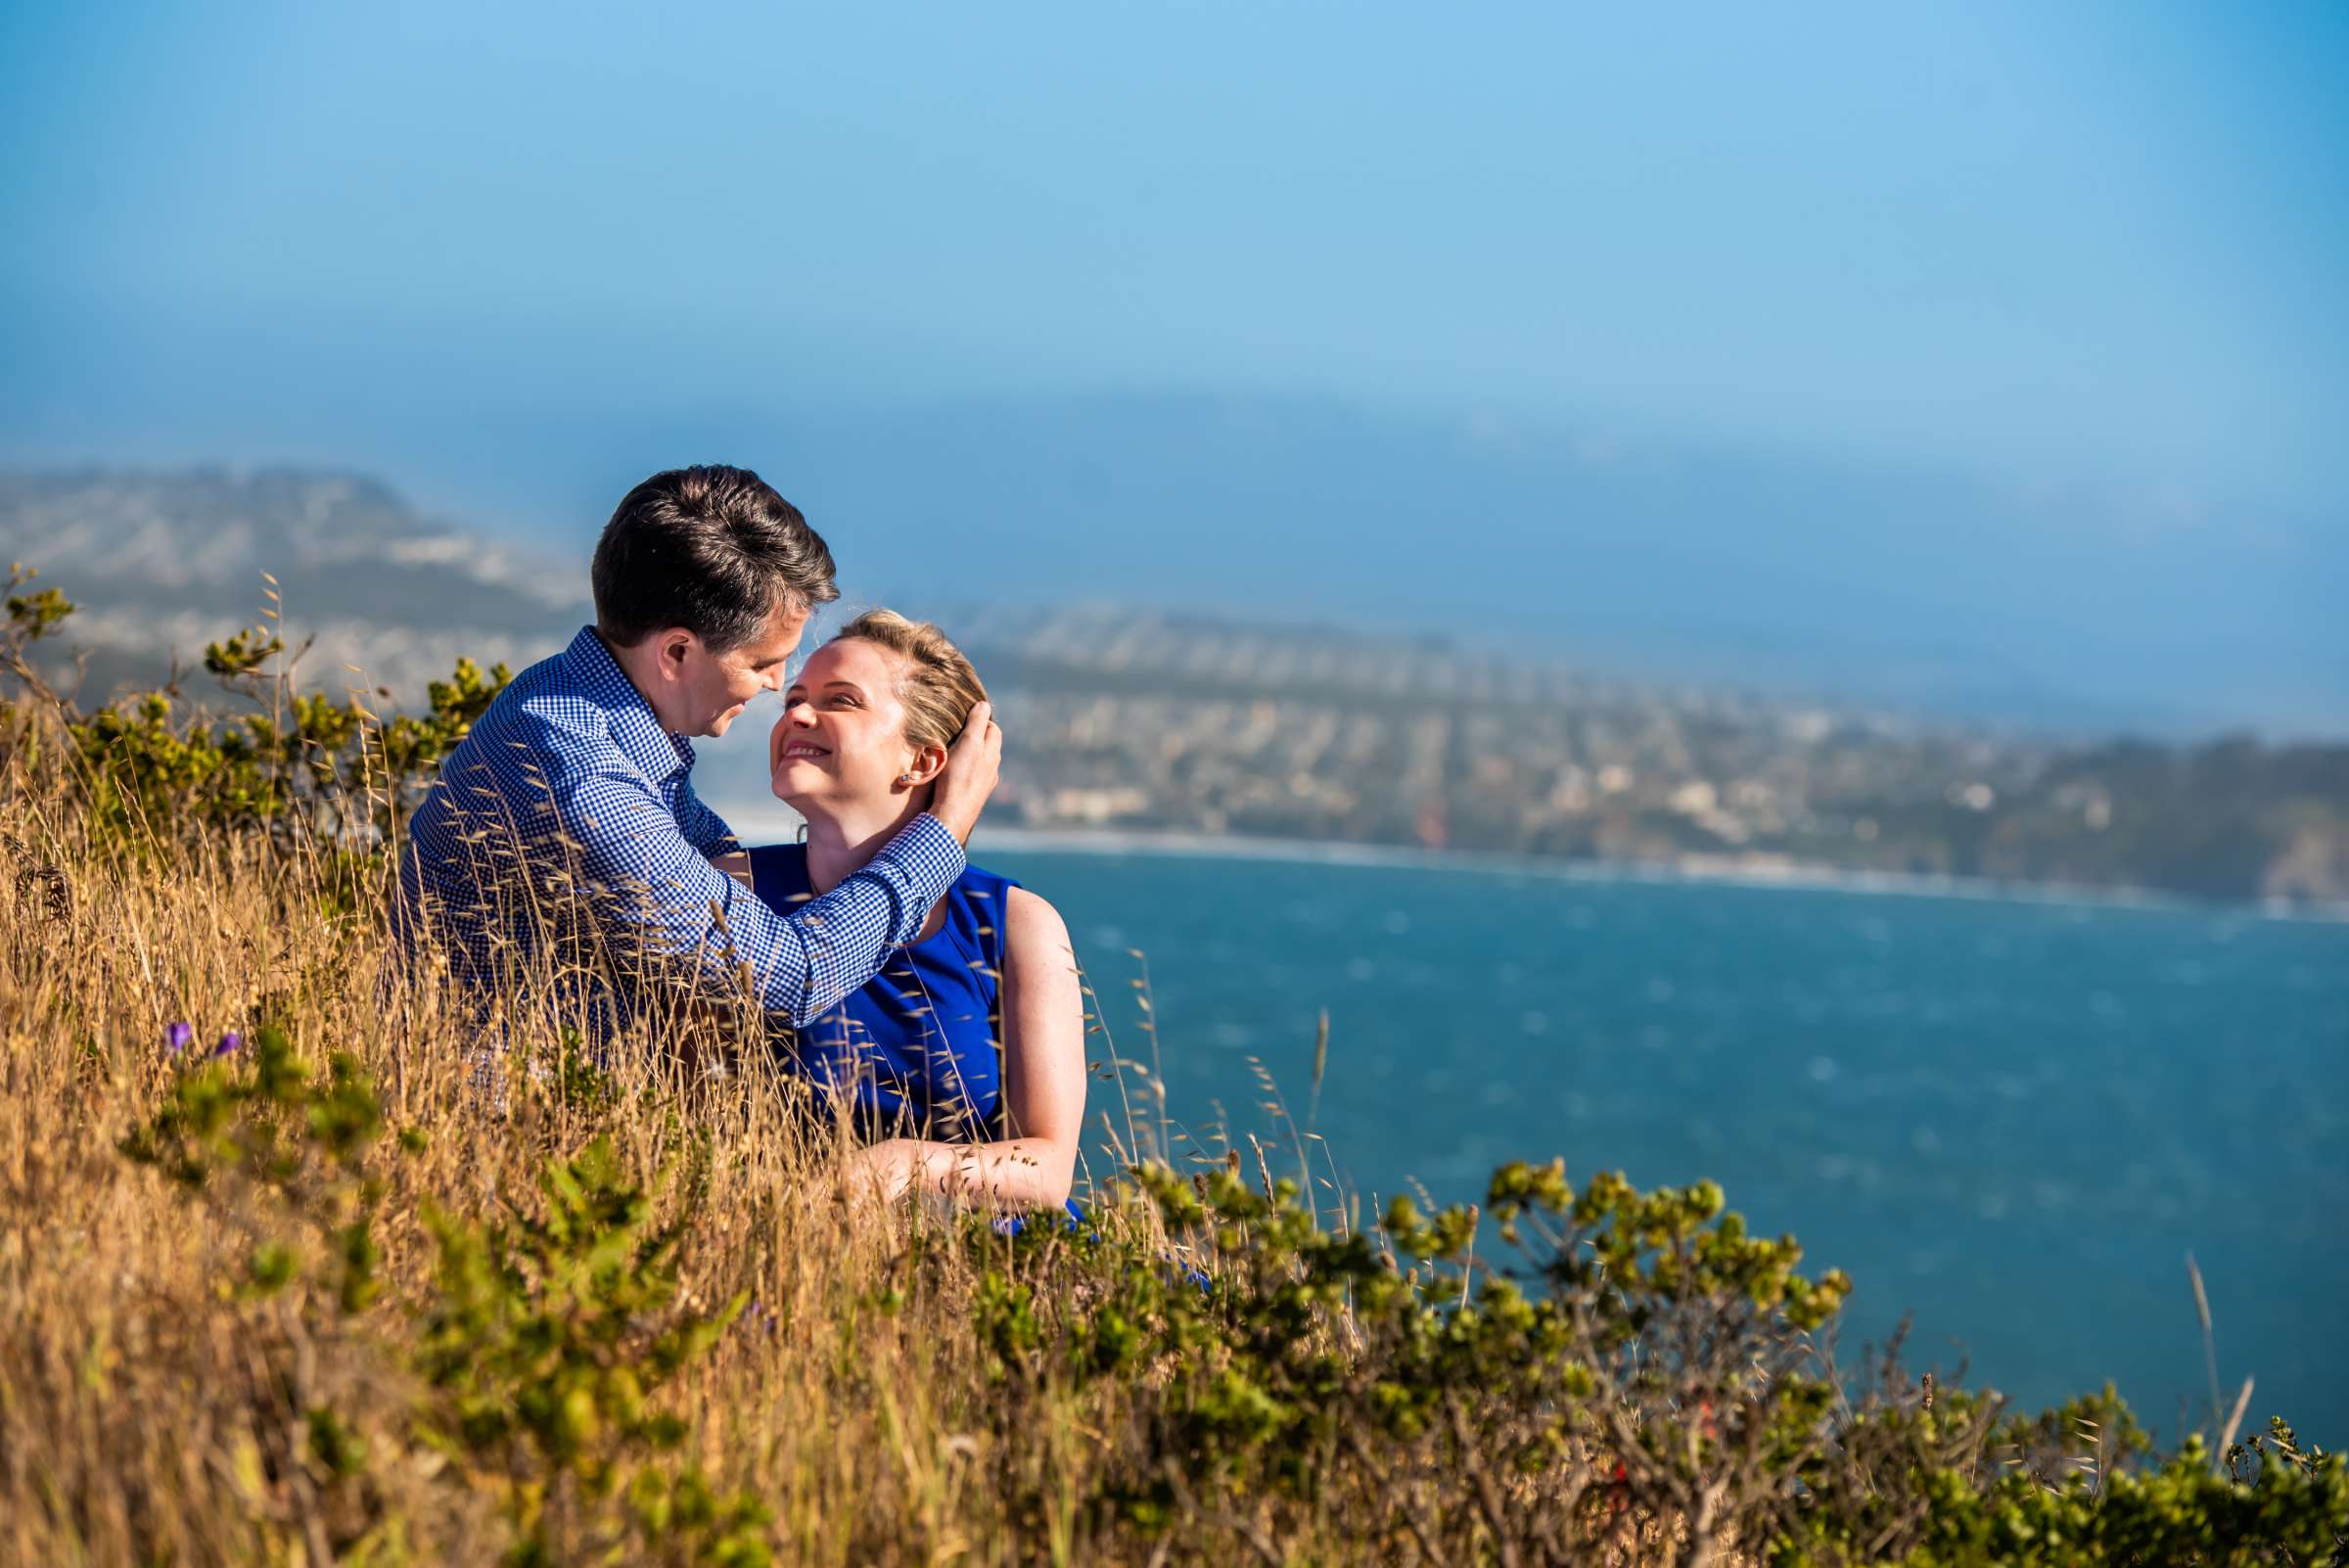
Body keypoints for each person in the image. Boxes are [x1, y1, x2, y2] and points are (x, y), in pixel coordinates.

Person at [395, 466, 1001, 1040]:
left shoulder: (577, 705)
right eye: (764, 663)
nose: (777, 687)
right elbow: (789, 981)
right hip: (504, 1133)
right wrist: (941, 834)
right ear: (677, 654)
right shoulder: (583, 780)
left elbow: (703, 866)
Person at [750, 611, 1083, 1212]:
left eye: (841, 701)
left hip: (992, 1262)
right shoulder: (732, 889)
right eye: (793, 699)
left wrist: (908, 1162)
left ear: (924, 762)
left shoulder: (1017, 924)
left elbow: (1049, 1168)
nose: (796, 714)